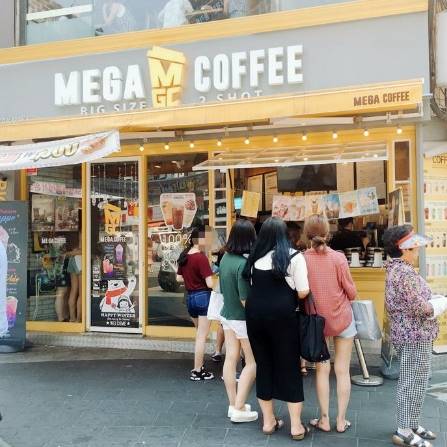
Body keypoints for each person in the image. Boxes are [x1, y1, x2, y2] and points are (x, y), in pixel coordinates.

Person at [244, 217, 310, 440]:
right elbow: (303, 291)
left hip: (255, 317)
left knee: (264, 365)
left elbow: (253, 286)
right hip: (283, 319)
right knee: (289, 367)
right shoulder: (294, 257)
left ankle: (268, 422)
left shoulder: (254, 258)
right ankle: (296, 426)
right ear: (285, 235)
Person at [383, 225, 446, 447]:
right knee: (412, 382)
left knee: (416, 381)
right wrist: (442, 303)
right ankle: (404, 430)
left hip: (412, 333)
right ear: (404, 249)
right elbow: (422, 308)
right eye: (414, 247)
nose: (417, 250)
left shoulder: (398, 269)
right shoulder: (404, 272)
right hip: (414, 335)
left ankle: (411, 424)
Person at [303, 214, 357, 434]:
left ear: (307, 235)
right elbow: (352, 292)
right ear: (328, 233)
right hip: (342, 319)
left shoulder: (302, 259)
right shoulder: (339, 258)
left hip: (316, 323)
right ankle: (341, 421)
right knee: (342, 370)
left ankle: (324, 420)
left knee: (322, 370)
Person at [219, 219, 258, 423]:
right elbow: (245, 300)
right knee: (252, 362)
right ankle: (239, 407)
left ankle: (233, 404)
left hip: (226, 314)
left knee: (231, 358)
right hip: (241, 319)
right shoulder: (242, 264)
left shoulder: (225, 258)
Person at [177, 226, 215, 381]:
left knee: (199, 333)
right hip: (202, 297)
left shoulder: (185, 255)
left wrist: (191, 278)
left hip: (190, 298)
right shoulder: (201, 257)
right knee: (201, 336)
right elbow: (210, 283)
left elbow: (178, 278)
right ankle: (197, 370)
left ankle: (200, 367)